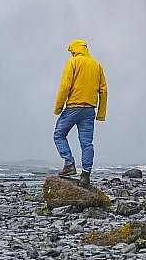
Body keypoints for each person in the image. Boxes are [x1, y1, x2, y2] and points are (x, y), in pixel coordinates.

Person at [53, 38, 107, 187]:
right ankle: (85, 176)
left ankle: (69, 163)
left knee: (59, 134)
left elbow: (65, 86)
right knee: (87, 143)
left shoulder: (73, 63)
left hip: (74, 107)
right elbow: (104, 90)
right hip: (90, 110)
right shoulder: (97, 65)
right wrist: (100, 113)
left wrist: (58, 107)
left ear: (75, 49)